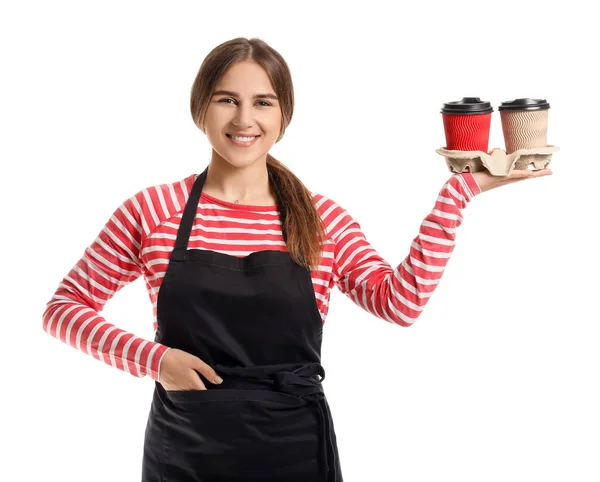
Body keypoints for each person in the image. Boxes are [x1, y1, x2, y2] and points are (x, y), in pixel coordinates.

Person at [41, 37, 552, 482]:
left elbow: (401, 303)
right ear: (200, 109)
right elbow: (64, 308)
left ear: (282, 116)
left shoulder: (319, 218)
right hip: (186, 451)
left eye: (263, 102)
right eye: (227, 100)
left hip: (293, 449)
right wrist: (157, 360)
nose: (245, 119)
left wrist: (457, 194)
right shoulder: (154, 210)